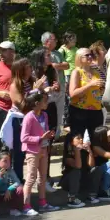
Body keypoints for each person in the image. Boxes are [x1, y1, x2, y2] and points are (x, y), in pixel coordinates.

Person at [6, 58, 46, 181]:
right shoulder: (15, 86)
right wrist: (35, 90)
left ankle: (37, 179)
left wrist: (42, 90)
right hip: (19, 120)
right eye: (28, 66)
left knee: (35, 151)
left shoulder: (30, 81)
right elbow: (23, 107)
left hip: (32, 118)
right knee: (19, 152)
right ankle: (18, 181)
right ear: (21, 69)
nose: (31, 68)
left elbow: (40, 101)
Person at [20, 91, 58, 215]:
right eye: (44, 101)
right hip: (32, 151)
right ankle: (26, 206)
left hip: (43, 149)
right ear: (37, 103)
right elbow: (24, 138)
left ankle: (43, 203)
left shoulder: (44, 115)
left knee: (42, 178)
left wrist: (48, 135)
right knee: (31, 178)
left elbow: (44, 130)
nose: (47, 103)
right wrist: (40, 138)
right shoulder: (28, 117)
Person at [30, 47, 62, 191]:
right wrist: (43, 90)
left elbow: (57, 91)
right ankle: (38, 178)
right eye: (48, 55)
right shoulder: (33, 73)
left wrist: (56, 88)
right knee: (40, 143)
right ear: (40, 57)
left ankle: (45, 176)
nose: (51, 57)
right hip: (39, 110)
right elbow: (31, 95)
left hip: (51, 107)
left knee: (49, 142)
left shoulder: (51, 70)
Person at [68, 48, 105, 145]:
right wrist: (90, 85)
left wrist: (101, 89)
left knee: (97, 140)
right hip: (79, 110)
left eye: (91, 54)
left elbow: (97, 91)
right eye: (87, 55)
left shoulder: (96, 72)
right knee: (78, 140)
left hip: (96, 109)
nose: (90, 56)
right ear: (79, 58)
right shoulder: (77, 72)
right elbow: (72, 93)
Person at [0, 150, 24, 220]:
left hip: (6, 194)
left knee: (20, 189)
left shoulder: (10, 170)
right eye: (5, 161)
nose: (8, 163)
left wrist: (9, 189)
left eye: (9, 161)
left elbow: (18, 182)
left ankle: (13, 209)